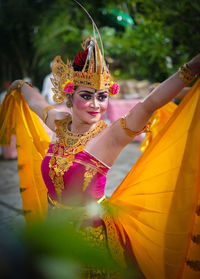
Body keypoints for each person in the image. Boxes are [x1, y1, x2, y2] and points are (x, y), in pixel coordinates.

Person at [1, 36, 200, 279]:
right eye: (86, 96)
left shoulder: (110, 138)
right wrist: (21, 85)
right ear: (69, 97)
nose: (96, 105)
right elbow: (38, 105)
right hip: (56, 236)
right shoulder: (61, 125)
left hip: (91, 241)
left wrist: (192, 67)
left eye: (102, 97)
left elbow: (150, 104)